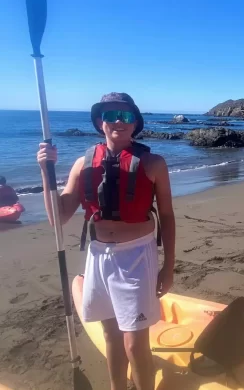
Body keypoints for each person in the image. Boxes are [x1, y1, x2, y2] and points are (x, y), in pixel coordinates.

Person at [36, 92, 175, 390]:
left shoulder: (153, 163)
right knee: (111, 336)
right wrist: (46, 172)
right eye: (110, 115)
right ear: (100, 122)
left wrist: (169, 267)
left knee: (135, 345)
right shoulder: (82, 163)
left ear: (135, 122)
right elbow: (57, 218)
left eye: (125, 116)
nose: (118, 122)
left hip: (137, 257)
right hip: (98, 257)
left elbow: (167, 216)